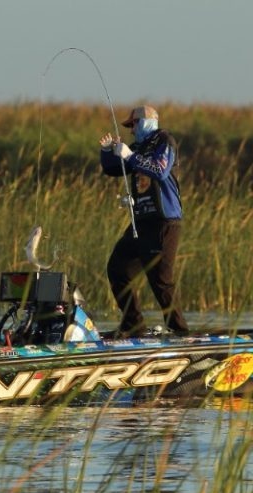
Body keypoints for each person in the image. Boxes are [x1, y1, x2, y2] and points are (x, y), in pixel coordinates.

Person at [99, 105, 189, 337]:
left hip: (164, 222)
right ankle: (133, 325)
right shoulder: (138, 147)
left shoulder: (164, 141)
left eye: (134, 124)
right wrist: (109, 151)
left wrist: (129, 154)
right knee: (118, 268)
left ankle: (180, 332)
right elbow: (113, 170)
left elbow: (159, 170)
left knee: (160, 279)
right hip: (140, 223)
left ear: (148, 121)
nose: (132, 130)